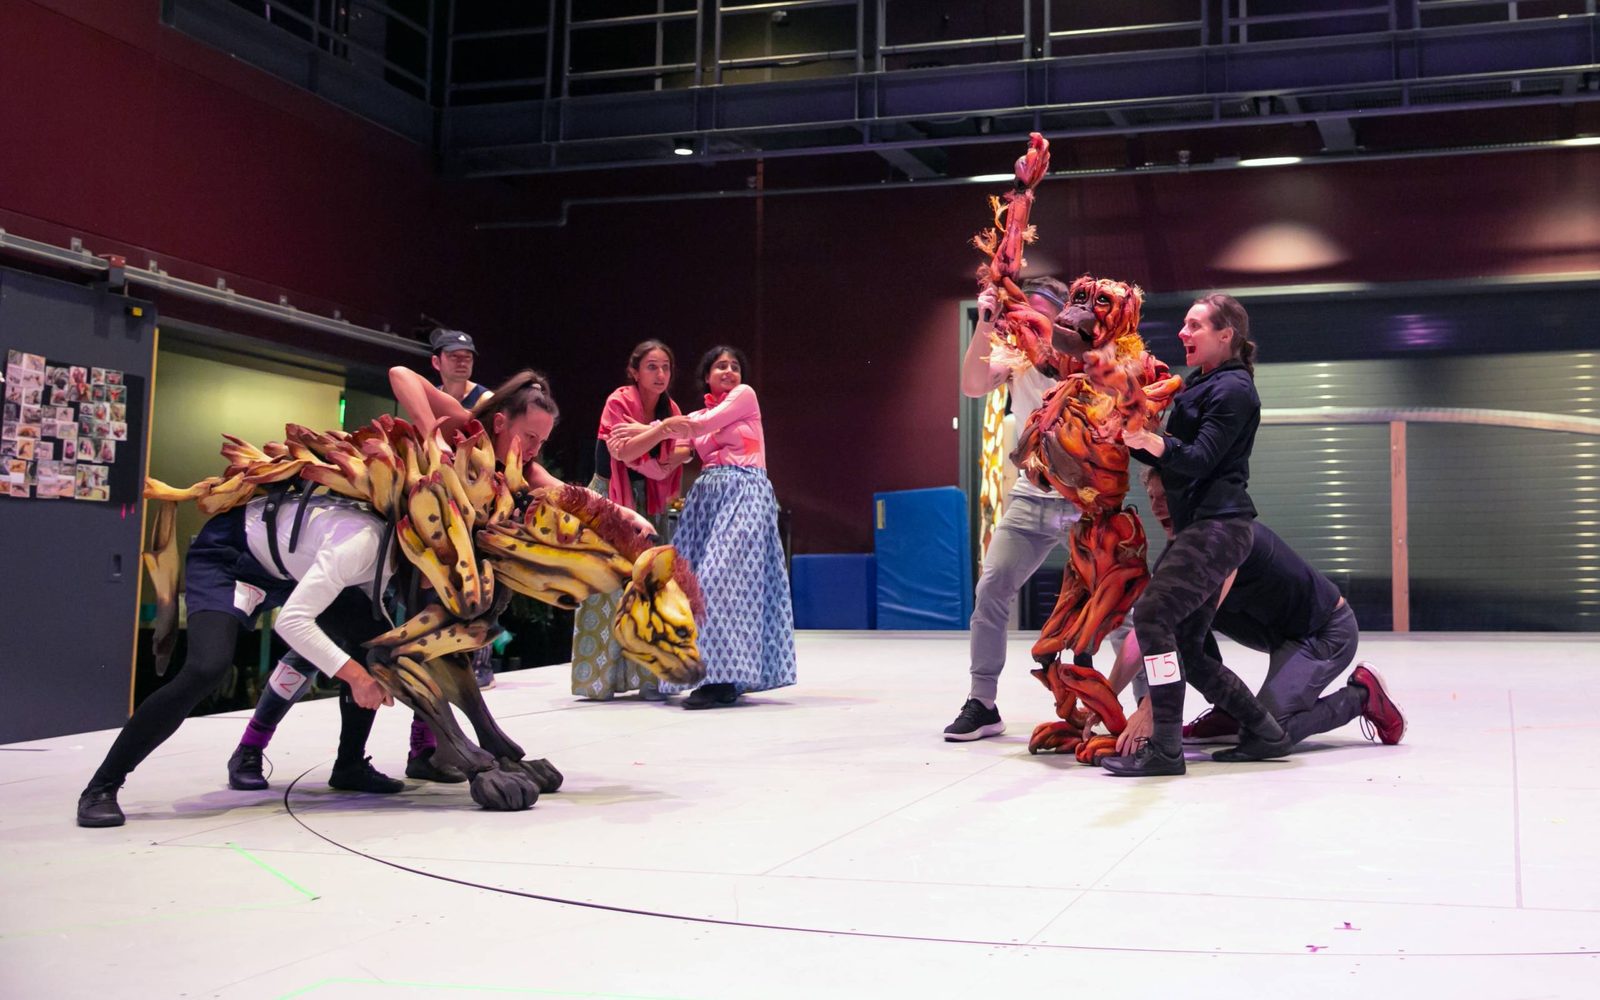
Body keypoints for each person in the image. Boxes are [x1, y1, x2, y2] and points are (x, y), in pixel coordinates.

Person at [77, 493, 398, 828]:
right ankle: (101, 786)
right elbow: (291, 622)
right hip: (231, 556)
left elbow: (380, 621)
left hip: (287, 569)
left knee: (373, 644)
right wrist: (357, 678)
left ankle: (349, 764)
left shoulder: (397, 554)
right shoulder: (360, 543)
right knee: (207, 668)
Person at [1105, 293, 1290, 777]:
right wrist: (1134, 439)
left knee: (1151, 615)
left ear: (1225, 335)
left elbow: (1200, 458)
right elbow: (1173, 455)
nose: (1182, 333)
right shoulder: (1201, 382)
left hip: (1218, 528)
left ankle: (1166, 747)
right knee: (1190, 647)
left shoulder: (1234, 390)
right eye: (1185, 325)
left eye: (1194, 325)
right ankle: (1266, 732)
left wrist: (1153, 441)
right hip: (1204, 527)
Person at [1102, 520, 1407, 759]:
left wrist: (1152, 710)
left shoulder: (1225, 542)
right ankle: (1228, 714)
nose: (1158, 506)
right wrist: (1102, 701)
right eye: (1151, 497)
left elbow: (1181, 638)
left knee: (1268, 734)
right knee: (1175, 623)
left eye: (1165, 495)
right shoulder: (1178, 556)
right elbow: (1147, 633)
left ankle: (1362, 697)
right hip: (1276, 631)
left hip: (1323, 633)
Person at [609, 346, 796, 708]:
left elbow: (697, 427)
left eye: (734, 366)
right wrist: (628, 450)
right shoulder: (695, 416)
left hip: (744, 491)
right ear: (706, 377)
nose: (729, 371)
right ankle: (712, 674)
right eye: (720, 366)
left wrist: (650, 428)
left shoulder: (744, 397)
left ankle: (721, 680)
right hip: (706, 501)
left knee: (719, 581)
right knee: (689, 586)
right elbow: (666, 461)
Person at [944, 276, 1076, 741]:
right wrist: (985, 324)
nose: (1026, 318)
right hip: (1032, 493)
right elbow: (973, 386)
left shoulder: (1088, 352)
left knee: (1116, 602)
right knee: (992, 586)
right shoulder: (1016, 354)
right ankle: (982, 702)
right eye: (1020, 310)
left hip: (1085, 498)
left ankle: (1147, 706)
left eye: (1037, 310)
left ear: (1061, 313)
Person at [572, 340, 692, 701]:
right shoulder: (619, 401)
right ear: (634, 371)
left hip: (650, 503)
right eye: (652, 366)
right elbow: (623, 451)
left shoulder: (671, 408)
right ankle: (598, 681)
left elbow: (687, 446)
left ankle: (651, 679)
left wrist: (656, 435)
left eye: (666, 367)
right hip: (611, 499)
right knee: (605, 585)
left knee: (652, 587)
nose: (660, 374)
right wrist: (662, 431)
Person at [429, 326, 492, 409]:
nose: (462, 363)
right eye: (454, 356)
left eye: (467, 357)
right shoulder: (430, 398)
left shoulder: (486, 401)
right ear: (436, 362)